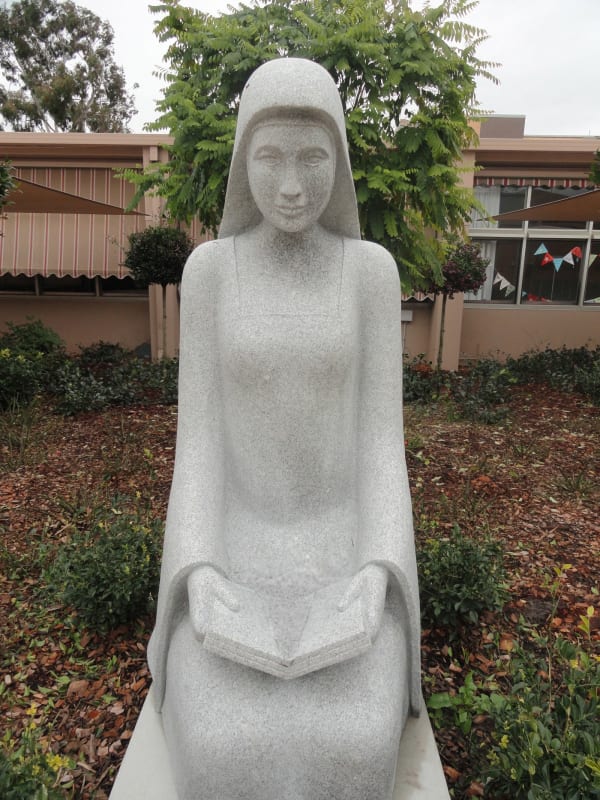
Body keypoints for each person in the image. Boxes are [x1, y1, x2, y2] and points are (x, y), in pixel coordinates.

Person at [148, 57, 421, 800]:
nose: (293, 185)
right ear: (243, 162)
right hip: (234, 561)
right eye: (269, 158)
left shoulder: (369, 273)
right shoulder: (209, 273)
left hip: (344, 563)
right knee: (223, 751)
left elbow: (378, 444)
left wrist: (376, 574)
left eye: (312, 157)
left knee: (353, 748)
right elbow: (198, 447)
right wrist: (198, 575)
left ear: (339, 160)